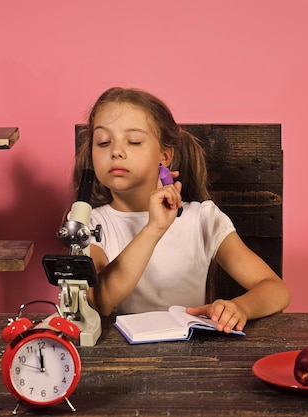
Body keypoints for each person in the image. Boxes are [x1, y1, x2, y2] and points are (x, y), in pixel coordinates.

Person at [72, 87, 289, 334]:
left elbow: (276, 290)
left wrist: (240, 307)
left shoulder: (203, 219)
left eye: (133, 141)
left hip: (191, 357)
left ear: (164, 157)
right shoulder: (84, 222)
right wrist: (154, 228)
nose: (116, 151)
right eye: (103, 142)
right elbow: (102, 300)